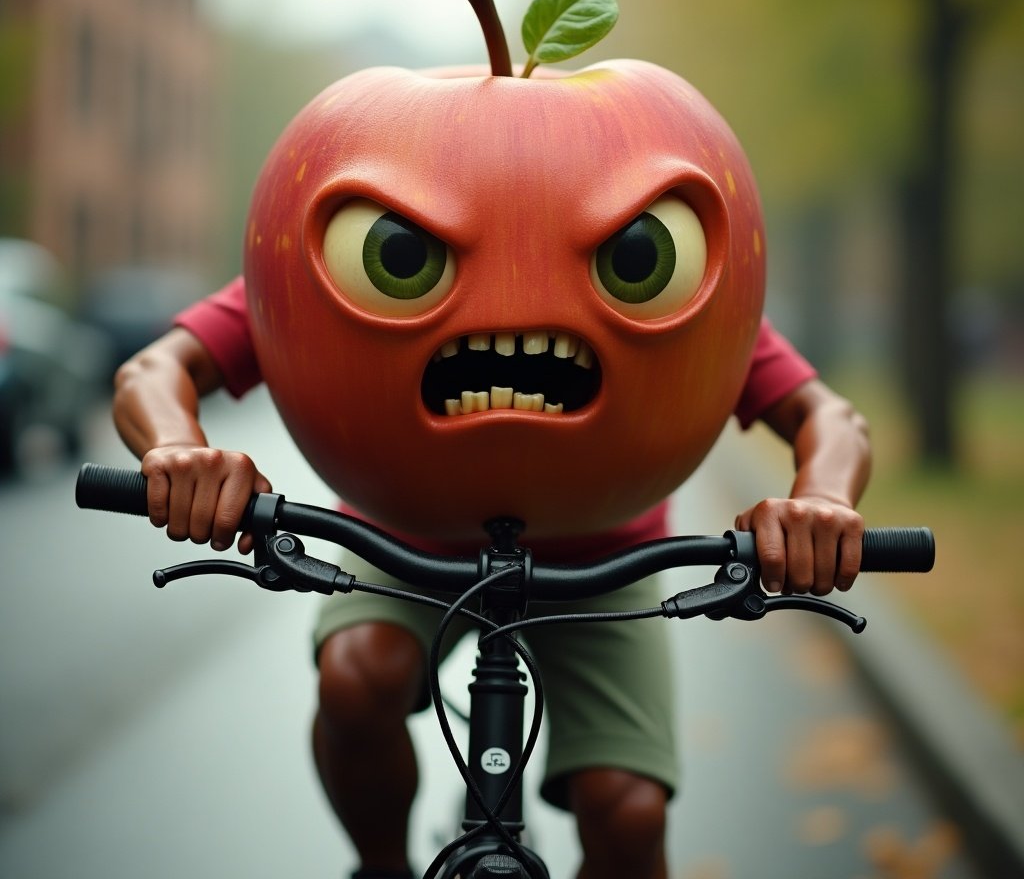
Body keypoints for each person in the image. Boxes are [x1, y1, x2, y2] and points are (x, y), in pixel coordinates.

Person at [113, 276, 871, 879]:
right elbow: (158, 368)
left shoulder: (656, 278)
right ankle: (381, 869)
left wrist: (824, 498)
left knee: (629, 815)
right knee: (356, 677)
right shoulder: (365, 255)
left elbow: (829, 419)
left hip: (603, 560)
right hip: (402, 537)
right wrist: (180, 450)